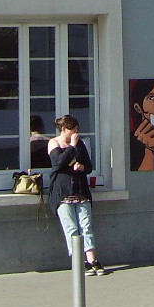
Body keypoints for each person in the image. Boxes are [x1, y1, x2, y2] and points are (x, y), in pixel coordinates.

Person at [48, 115, 110, 275]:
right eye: (72, 130)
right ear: (64, 129)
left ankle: (92, 260)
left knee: (86, 226)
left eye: (77, 130)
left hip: (80, 190)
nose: (76, 133)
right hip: (63, 193)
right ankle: (78, 261)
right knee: (72, 228)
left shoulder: (80, 144)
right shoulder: (53, 143)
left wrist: (82, 167)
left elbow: (89, 167)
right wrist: (72, 146)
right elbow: (58, 163)